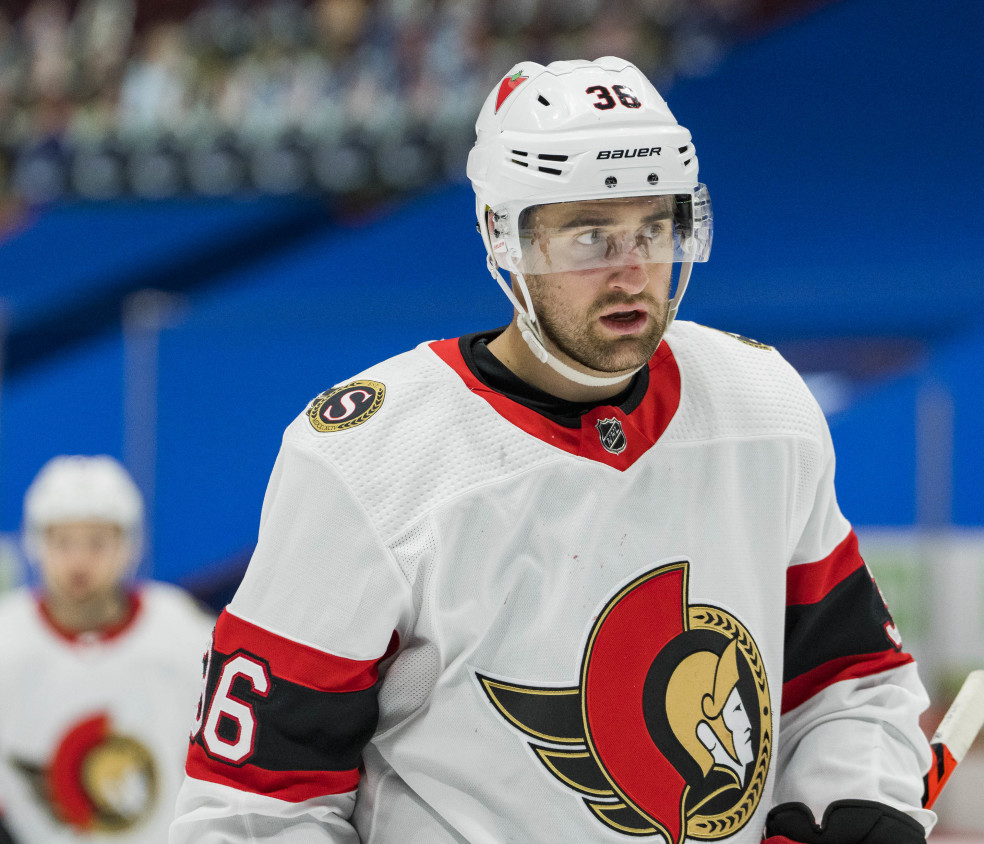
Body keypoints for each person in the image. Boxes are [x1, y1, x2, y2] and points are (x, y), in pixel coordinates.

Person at [171, 57, 935, 843]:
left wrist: (855, 798)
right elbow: (253, 809)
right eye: (590, 236)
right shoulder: (370, 459)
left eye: (655, 228)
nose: (633, 271)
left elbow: (852, 681)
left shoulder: (762, 404)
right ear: (502, 236)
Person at [0, 455, 213, 843]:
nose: (79, 561)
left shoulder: (183, 630)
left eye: (97, 542)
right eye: (62, 541)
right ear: (36, 543)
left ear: (128, 545)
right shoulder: (6, 639)